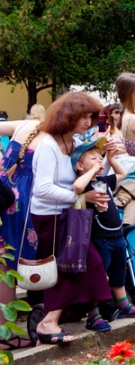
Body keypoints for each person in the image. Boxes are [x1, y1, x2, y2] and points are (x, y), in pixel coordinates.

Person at [30, 92, 115, 344]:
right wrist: (81, 197)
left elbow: (86, 174)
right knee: (70, 268)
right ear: (68, 116)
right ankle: (48, 322)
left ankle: (77, 316)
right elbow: (42, 189)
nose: (88, 122)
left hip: (67, 215)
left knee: (84, 266)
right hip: (50, 217)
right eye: (83, 116)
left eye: (90, 116)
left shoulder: (72, 144)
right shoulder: (48, 145)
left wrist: (106, 159)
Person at [71, 138, 135, 320]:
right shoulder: (86, 184)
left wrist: (111, 159)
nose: (98, 160)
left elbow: (122, 173)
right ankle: (93, 313)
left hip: (116, 235)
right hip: (100, 237)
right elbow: (77, 187)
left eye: (99, 157)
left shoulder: (103, 180)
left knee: (118, 272)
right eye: (93, 158)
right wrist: (90, 171)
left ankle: (123, 305)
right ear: (80, 166)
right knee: (98, 276)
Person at [0, 117, 40, 349]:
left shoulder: (24, 125)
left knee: (4, 266)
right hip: (20, 204)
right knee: (7, 269)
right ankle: (6, 336)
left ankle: (6, 334)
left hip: (5, 195)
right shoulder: (47, 136)